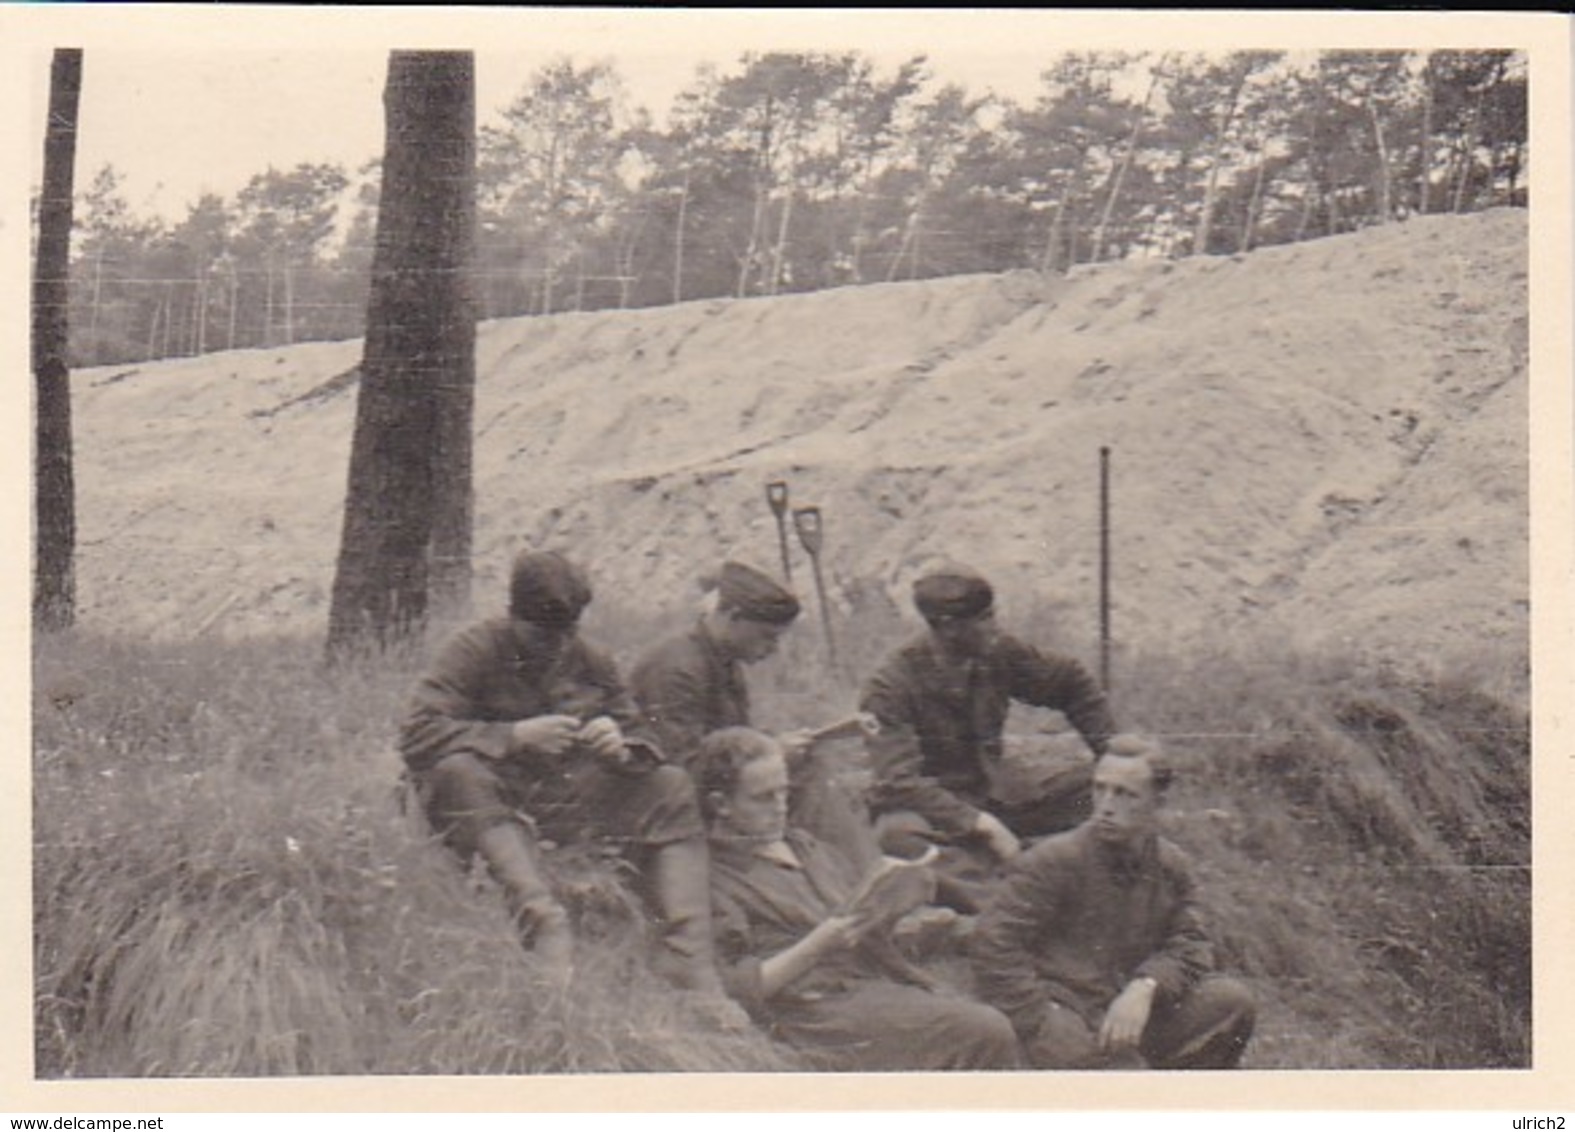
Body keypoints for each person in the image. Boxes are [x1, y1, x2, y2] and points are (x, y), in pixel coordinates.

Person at [398, 548, 742, 1023]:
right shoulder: (473, 650)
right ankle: (541, 913)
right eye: (542, 634)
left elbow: (644, 733)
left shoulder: (589, 657)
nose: (556, 648)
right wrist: (513, 736)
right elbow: (418, 732)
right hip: (497, 802)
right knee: (456, 772)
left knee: (671, 785)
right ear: (514, 616)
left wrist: (621, 744)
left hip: (570, 799)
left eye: (566, 634)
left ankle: (690, 956)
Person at [694, 726, 1023, 1071]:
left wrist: (898, 897)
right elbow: (737, 988)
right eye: (763, 798)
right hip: (811, 1008)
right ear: (721, 805)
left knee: (982, 1011)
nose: (779, 808)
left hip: (864, 980)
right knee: (984, 1029)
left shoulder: (802, 844)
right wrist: (821, 943)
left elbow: (861, 908)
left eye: (784, 793)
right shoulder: (713, 876)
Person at [968, 736, 1256, 1069]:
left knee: (1231, 1003)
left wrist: (1146, 986)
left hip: (1127, 1010)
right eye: (1100, 789)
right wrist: (1039, 1019)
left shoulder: (1170, 865)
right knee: (1120, 1075)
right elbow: (993, 943)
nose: (1106, 805)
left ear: (1157, 801)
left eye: (1125, 794)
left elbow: (1191, 944)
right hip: (1065, 1014)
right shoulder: (1054, 860)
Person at [859, 562, 1116, 907]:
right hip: (936, 814)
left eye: (991, 615)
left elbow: (1070, 682)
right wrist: (981, 825)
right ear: (947, 627)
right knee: (897, 836)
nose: (994, 627)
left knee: (1103, 790)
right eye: (983, 619)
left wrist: (1112, 753)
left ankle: (1016, 867)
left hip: (999, 797)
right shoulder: (890, 685)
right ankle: (1009, 901)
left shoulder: (997, 651)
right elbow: (898, 781)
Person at [631, 559, 878, 868]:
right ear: (734, 618)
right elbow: (681, 769)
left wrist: (771, 749)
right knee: (802, 777)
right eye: (767, 637)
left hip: (717, 794)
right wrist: (772, 753)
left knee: (805, 769)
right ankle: (866, 875)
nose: (772, 649)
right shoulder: (675, 668)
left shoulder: (723, 660)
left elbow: (728, 744)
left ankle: (860, 873)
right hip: (677, 807)